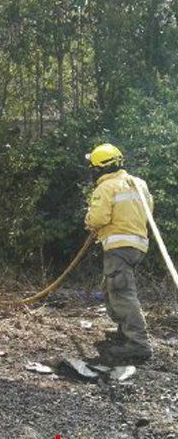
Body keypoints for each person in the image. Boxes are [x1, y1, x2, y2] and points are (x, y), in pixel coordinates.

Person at [84, 143, 153, 363]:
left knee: (122, 292)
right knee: (111, 287)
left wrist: (89, 222)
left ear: (99, 168)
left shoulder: (106, 187)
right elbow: (148, 210)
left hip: (118, 246)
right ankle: (125, 331)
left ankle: (137, 343)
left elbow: (98, 218)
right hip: (138, 245)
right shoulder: (138, 183)